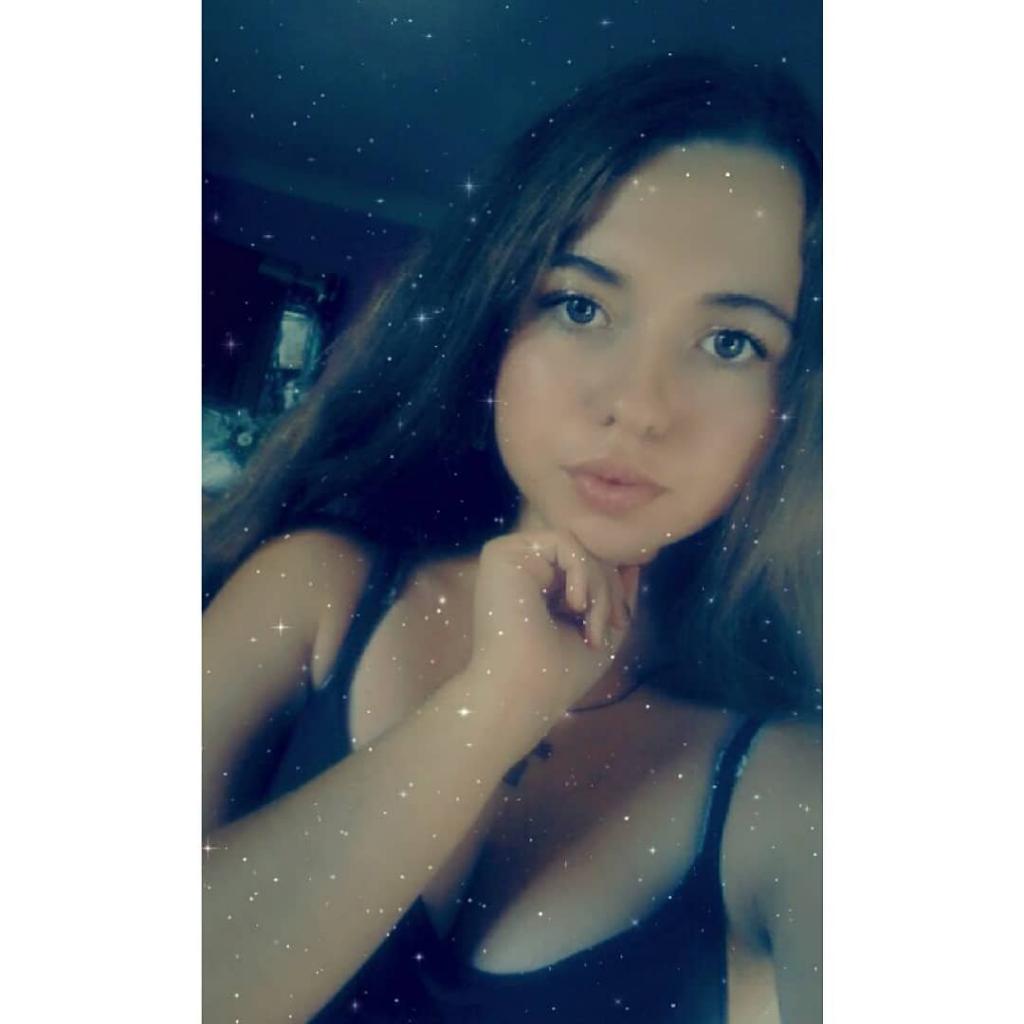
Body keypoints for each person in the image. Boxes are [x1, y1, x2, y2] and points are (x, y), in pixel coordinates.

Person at [202, 52, 822, 1024]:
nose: (637, 405)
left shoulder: (796, 784)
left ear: (798, 400)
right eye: (579, 305)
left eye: (730, 341)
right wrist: (494, 704)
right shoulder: (312, 593)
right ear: (496, 314)